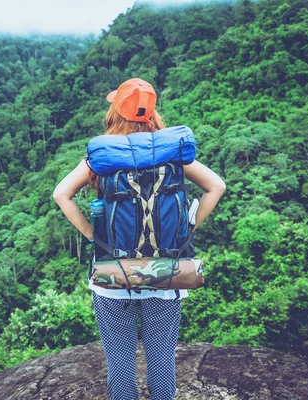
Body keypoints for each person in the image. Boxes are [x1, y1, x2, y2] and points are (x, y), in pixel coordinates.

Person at [52, 78, 226, 399]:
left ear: (115, 111)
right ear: (152, 113)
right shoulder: (172, 152)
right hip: (166, 272)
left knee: (120, 367)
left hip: (112, 273)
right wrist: (187, 227)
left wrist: (95, 236)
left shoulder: (104, 156)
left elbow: (61, 193)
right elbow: (216, 187)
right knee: (161, 364)